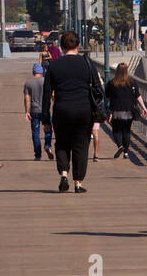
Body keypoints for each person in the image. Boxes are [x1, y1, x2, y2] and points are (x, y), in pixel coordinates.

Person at [41, 30, 105, 193]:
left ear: (61, 47)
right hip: (84, 110)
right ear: (78, 45)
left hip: (61, 109)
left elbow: (46, 94)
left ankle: (63, 174)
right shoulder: (87, 64)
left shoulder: (53, 65)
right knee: (81, 145)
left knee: (62, 142)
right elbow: (98, 88)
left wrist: (45, 120)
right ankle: (78, 183)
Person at [105, 62, 147, 160]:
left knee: (116, 131)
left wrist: (108, 110)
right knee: (126, 131)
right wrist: (144, 108)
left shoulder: (112, 83)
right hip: (129, 112)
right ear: (126, 71)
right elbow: (138, 96)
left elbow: (107, 98)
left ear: (117, 71)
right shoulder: (132, 82)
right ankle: (126, 153)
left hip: (116, 111)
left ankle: (120, 145)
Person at [23, 62, 48, 159]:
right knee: (48, 129)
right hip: (45, 109)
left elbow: (26, 98)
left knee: (35, 133)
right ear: (41, 71)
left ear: (33, 72)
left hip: (34, 110)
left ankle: (38, 155)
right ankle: (47, 144)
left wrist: (27, 112)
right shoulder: (46, 81)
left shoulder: (28, 83)